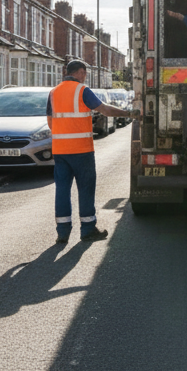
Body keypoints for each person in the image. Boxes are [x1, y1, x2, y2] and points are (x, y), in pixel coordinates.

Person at [46, 60, 140, 244]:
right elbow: (105, 110)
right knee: (86, 189)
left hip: (60, 151)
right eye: (85, 73)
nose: (85, 77)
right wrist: (129, 114)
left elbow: (50, 121)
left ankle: (62, 233)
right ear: (80, 72)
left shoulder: (53, 92)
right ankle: (88, 229)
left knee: (62, 190)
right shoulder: (82, 91)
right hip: (81, 150)